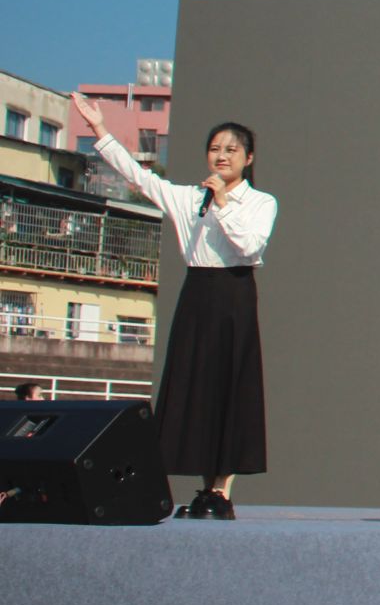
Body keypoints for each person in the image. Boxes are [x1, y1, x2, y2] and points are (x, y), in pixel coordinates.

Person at [71, 93, 277, 520]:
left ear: (249, 158)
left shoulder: (262, 202)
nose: (221, 156)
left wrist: (222, 204)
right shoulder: (187, 198)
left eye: (231, 149)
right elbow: (138, 176)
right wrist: (99, 130)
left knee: (230, 387)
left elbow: (249, 246)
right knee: (196, 386)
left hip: (235, 294)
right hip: (197, 293)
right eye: (215, 148)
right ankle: (203, 488)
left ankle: (222, 491)